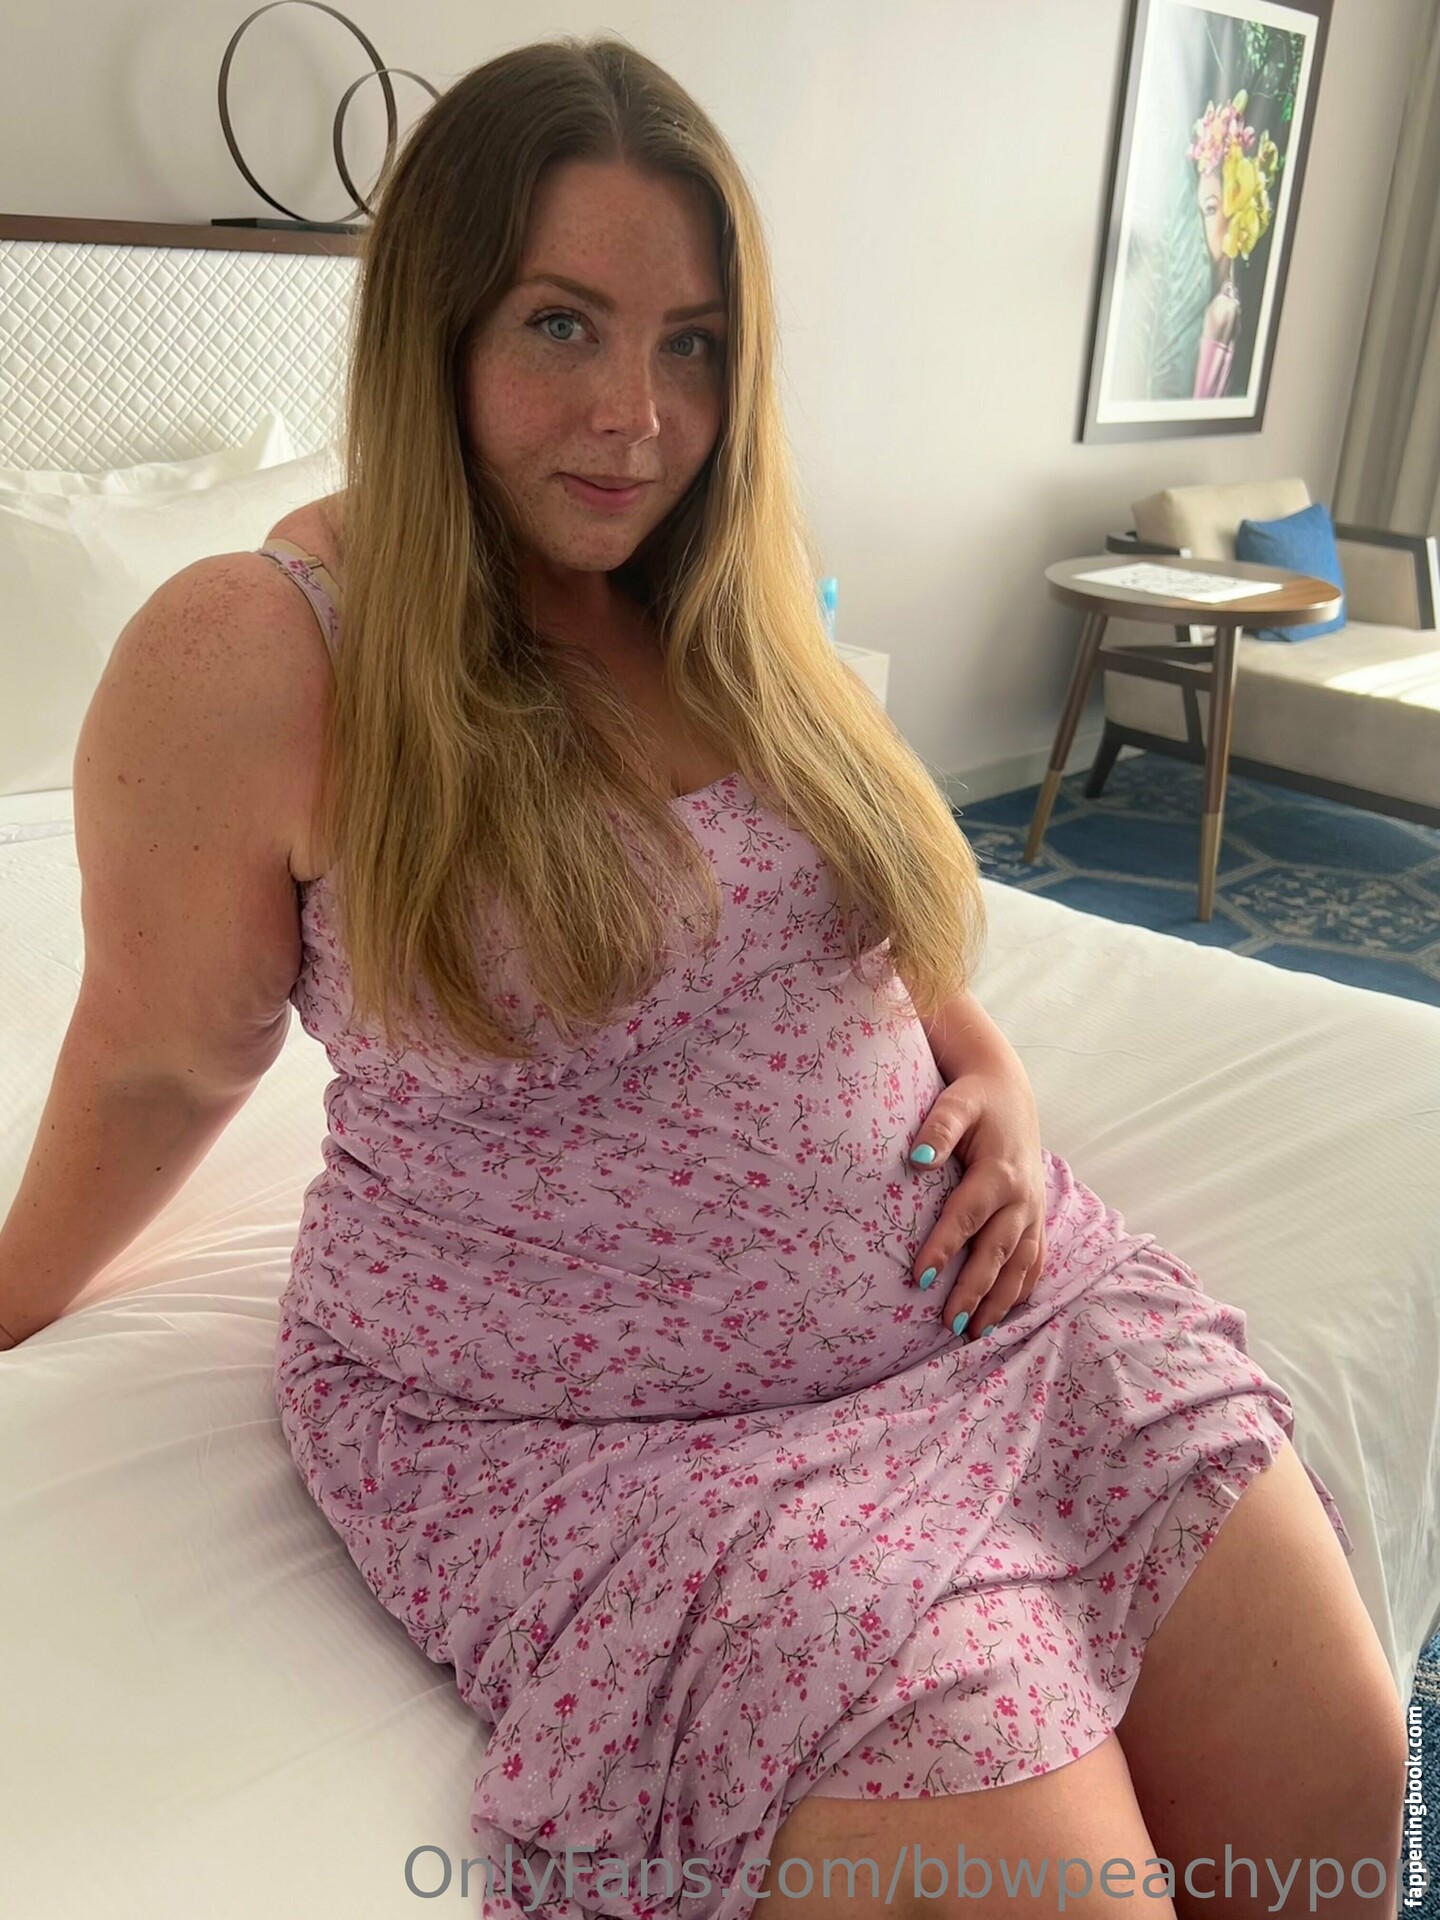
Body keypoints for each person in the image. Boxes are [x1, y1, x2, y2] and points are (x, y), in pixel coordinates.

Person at [0, 36, 1405, 1920]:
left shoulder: (715, 581)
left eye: (695, 344)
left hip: (997, 1313)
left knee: (1339, 1790)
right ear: (429, 332)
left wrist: (988, 1068)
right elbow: (159, 1063)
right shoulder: (263, 654)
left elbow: (858, 909)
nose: (637, 421)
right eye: (561, 326)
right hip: (619, 1439)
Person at [1189, 89, 1279, 401]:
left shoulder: (1222, 311)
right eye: (1200, 210)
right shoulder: (1223, 301)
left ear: (1236, 213)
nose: (1203, 224)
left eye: (1211, 209)